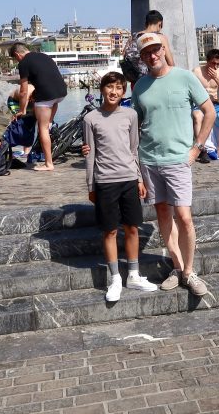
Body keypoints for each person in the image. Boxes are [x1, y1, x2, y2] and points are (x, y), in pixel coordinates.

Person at [133, 32, 214, 297]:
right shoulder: (140, 86)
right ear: (142, 57)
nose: (152, 55)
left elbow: (209, 112)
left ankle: (190, 272)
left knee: (185, 217)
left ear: (163, 49)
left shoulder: (184, 77)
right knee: (163, 216)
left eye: (156, 50)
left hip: (178, 160)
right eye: (146, 53)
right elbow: (133, 124)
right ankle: (177, 268)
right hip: (149, 159)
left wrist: (197, 148)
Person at [83, 72, 158, 302]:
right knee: (110, 230)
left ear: (123, 92)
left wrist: (140, 179)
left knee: (132, 227)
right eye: (109, 87)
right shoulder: (91, 119)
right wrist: (91, 185)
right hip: (105, 181)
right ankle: (115, 277)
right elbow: (90, 154)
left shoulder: (131, 115)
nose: (113, 92)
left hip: (128, 179)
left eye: (118, 88)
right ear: (101, 90)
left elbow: (134, 149)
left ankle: (133, 275)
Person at [10, 43, 68, 171]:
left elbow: (23, 91)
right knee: (47, 125)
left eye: (15, 59)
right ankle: (51, 127)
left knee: (42, 129)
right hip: (61, 93)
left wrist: (22, 110)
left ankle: (48, 163)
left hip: (46, 96)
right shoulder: (43, 55)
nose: (17, 61)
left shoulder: (23, 63)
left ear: (17, 55)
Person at [191, 48, 219, 160]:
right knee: (197, 116)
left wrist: (216, 78)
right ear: (207, 61)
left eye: (218, 64)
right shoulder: (197, 72)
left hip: (216, 104)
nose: (215, 66)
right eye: (213, 63)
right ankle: (201, 149)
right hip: (201, 105)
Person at [121, 10, 175, 86]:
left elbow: (123, 56)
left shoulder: (133, 36)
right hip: (151, 82)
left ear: (146, 23)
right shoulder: (159, 37)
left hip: (134, 82)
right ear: (160, 24)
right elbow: (171, 63)